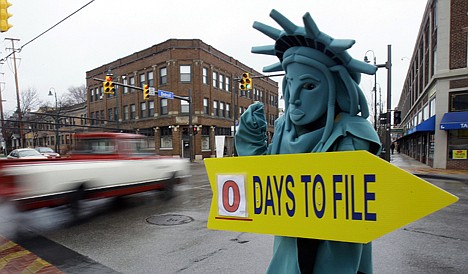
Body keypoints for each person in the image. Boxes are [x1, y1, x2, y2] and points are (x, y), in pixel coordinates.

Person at [235, 10, 381, 274]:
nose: (295, 99)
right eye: (290, 85)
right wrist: (250, 136)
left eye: (309, 86)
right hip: (289, 254)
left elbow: (347, 207)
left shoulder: (353, 133)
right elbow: (264, 185)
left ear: (335, 88)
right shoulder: (282, 128)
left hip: (334, 259)